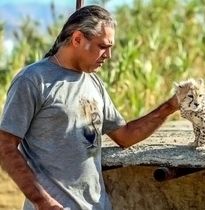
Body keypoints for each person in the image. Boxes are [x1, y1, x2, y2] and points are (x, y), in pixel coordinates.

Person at [0, 5, 179, 210]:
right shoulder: (33, 80)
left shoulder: (93, 83)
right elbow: (5, 147)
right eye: (103, 46)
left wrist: (170, 106)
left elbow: (126, 135)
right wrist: (44, 202)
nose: (108, 55)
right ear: (77, 39)